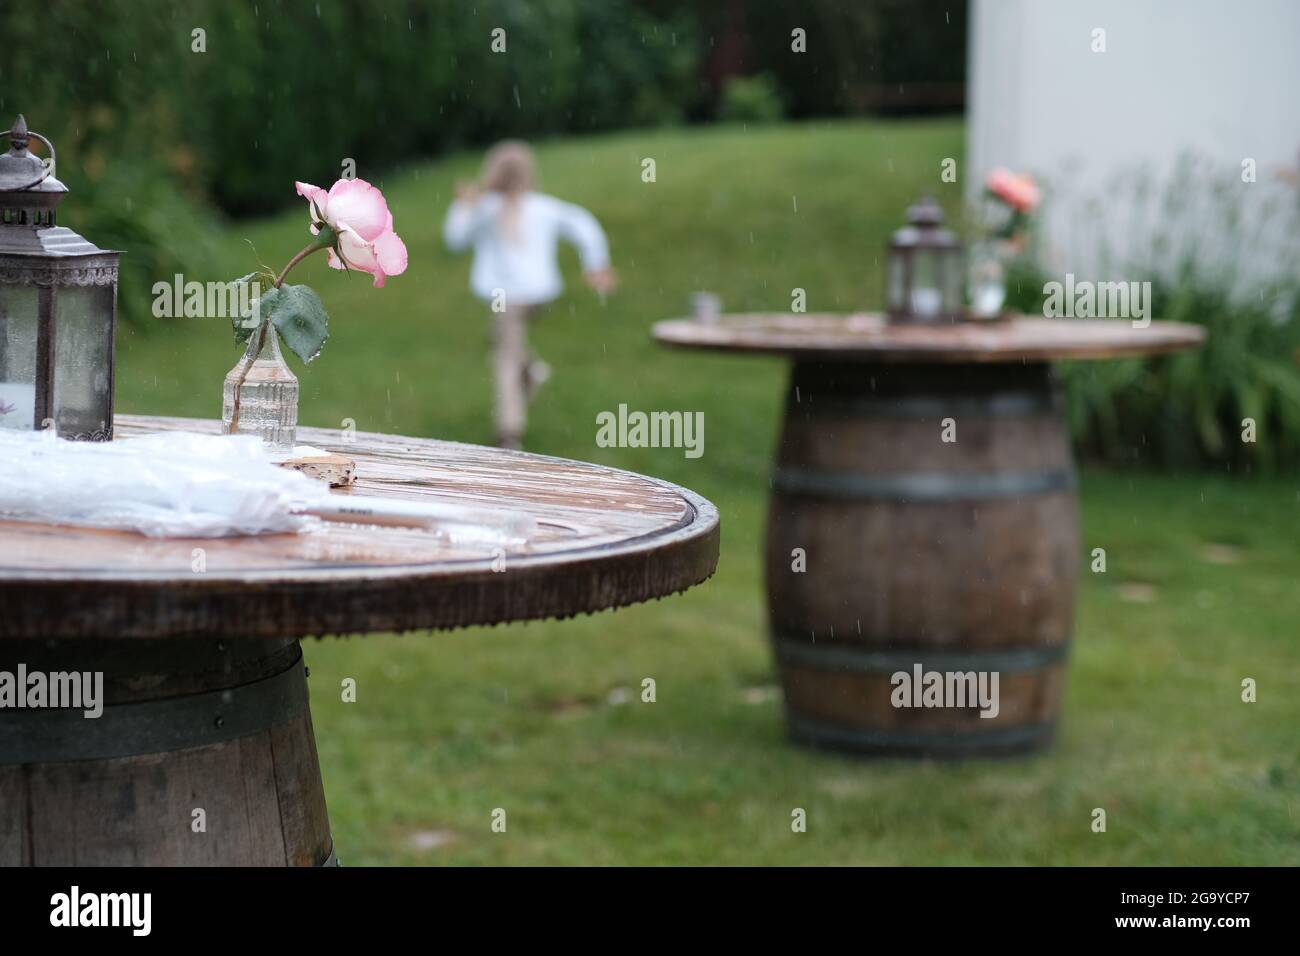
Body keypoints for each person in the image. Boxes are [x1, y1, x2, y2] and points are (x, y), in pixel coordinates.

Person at [443, 140, 616, 449]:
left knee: (505, 355)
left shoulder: (484, 208)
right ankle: (531, 372)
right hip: (539, 294)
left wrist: (462, 205)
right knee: (507, 342)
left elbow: (455, 240)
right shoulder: (544, 207)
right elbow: (584, 225)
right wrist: (595, 263)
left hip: (504, 298)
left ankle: (509, 431)